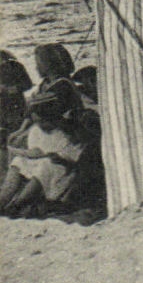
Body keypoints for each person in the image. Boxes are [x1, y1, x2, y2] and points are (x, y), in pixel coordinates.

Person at [0, 78, 91, 218]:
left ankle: (17, 204)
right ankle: (3, 199)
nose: (40, 125)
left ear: (53, 117)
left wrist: (59, 158)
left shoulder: (68, 133)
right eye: (38, 122)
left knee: (45, 165)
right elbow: (35, 151)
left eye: (43, 122)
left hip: (62, 170)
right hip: (41, 162)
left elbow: (77, 159)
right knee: (19, 161)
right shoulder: (37, 131)